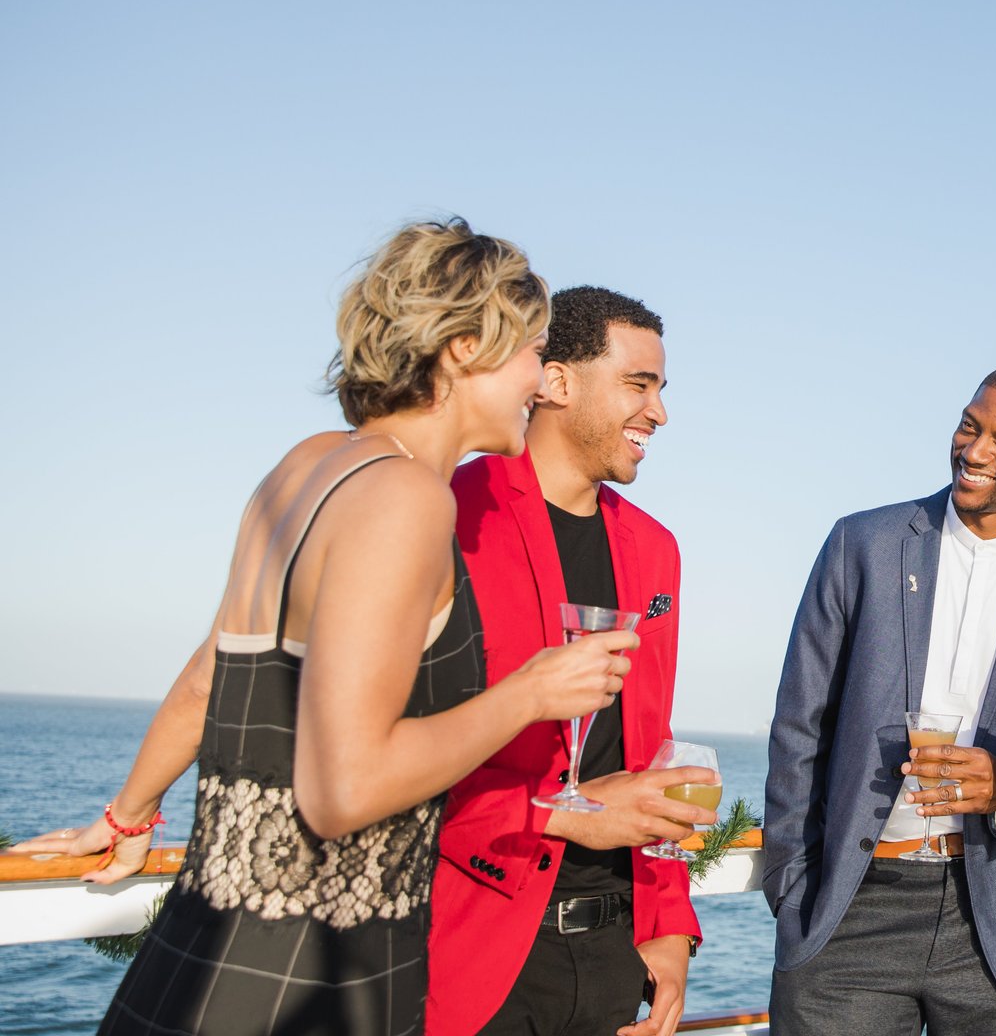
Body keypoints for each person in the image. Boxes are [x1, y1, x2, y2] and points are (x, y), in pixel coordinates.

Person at [9, 219, 635, 1035]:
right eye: (529, 352)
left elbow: (213, 676)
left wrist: (129, 816)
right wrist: (530, 693)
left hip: (195, 961)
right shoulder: (408, 500)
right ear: (462, 347)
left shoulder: (307, 465)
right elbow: (345, 791)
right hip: (313, 982)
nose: (540, 380)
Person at [762, 362, 996, 1036]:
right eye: (968, 426)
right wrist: (793, 888)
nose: (975, 451)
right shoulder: (861, 544)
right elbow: (799, 724)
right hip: (852, 914)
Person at [428, 286, 716, 1036]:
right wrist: (562, 820)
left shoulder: (657, 550)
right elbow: (394, 748)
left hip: (615, 959)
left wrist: (667, 922)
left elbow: (647, 750)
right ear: (555, 382)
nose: (659, 413)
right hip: (478, 946)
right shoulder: (453, 511)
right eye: (637, 384)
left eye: (660, 388)